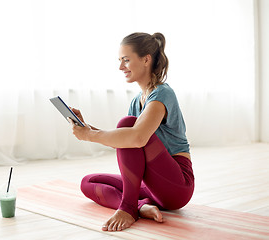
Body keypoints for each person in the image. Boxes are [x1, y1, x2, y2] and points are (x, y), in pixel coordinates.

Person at [67, 32, 194, 232]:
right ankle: (140, 207)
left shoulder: (163, 94)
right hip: (150, 185)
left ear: (146, 59)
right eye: (120, 61)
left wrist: (90, 136)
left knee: (127, 124)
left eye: (126, 60)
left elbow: (137, 137)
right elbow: (125, 140)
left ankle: (128, 208)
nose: (120, 67)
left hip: (176, 185)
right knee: (88, 182)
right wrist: (87, 129)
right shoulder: (137, 100)